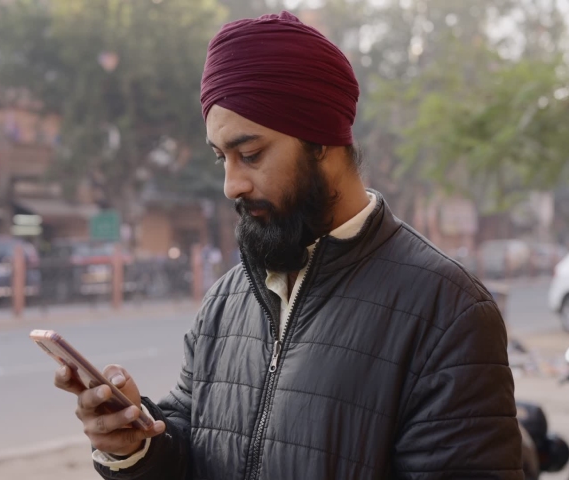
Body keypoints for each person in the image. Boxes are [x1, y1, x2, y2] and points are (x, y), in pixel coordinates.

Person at [54, 11, 523, 479]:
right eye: (222, 158)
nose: (231, 185)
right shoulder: (225, 301)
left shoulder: (449, 312)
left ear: (321, 140)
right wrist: (135, 445)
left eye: (251, 154)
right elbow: (193, 453)